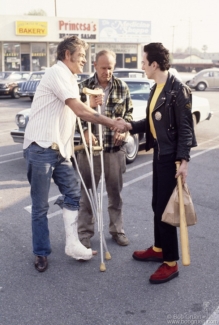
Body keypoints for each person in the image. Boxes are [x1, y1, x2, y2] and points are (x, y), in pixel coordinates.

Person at [23, 36, 128, 272]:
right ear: (67, 55)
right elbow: (79, 111)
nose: (84, 61)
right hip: (40, 146)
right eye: (81, 56)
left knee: (73, 194)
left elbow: (72, 106)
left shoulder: (69, 78)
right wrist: (112, 122)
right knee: (40, 207)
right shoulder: (56, 73)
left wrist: (86, 101)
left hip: (61, 149)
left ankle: (72, 243)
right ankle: (41, 252)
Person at [125, 43, 197, 284]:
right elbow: (151, 121)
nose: (142, 65)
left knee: (167, 210)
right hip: (159, 154)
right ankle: (158, 248)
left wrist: (184, 160)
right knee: (158, 204)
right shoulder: (156, 87)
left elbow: (186, 129)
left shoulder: (179, 90)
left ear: (154, 64)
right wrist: (130, 126)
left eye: (144, 62)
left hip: (171, 158)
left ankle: (170, 262)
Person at [77, 50, 133, 249]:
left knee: (115, 194)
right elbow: (72, 115)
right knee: (87, 194)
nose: (107, 72)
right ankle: (84, 234)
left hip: (113, 150)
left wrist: (124, 130)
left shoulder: (122, 87)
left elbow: (129, 117)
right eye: (103, 68)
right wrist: (84, 131)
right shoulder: (83, 87)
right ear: (94, 66)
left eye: (110, 68)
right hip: (89, 152)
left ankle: (117, 230)